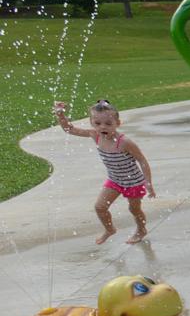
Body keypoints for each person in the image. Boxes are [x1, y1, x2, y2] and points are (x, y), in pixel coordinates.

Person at [53, 99, 155, 244]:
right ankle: (110, 229)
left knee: (134, 209)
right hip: (114, 180)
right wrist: (60, 114)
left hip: (133, 182)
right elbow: (69, 129)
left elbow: (142, 160)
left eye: (108, 123)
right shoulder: (95, 135)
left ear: (117, 123)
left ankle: (141, 230)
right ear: (92, 123)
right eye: (97, 123)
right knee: (100, 207)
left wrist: (148, 182)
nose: (102, 127)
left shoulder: (125, 142)